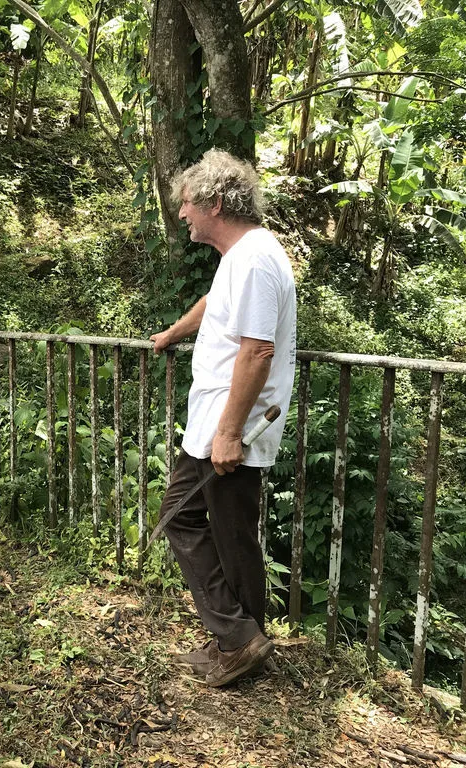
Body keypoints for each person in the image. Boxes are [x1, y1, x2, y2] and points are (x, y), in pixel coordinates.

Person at [149, 149, 296, 687]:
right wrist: (172, 334)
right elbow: (215, 303)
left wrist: (230, 433)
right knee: (192, 518)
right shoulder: (241, 257)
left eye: (186, 204)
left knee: (221, 530)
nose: (181, 214)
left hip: (233, 425)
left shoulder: (256, 258)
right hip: (213, 420)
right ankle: (237, 639)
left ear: (212, 202)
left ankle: (240, 641)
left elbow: (258, 350)